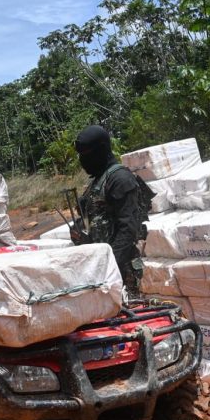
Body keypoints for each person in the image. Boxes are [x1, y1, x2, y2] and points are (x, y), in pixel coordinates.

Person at [71, 125, 154, 296]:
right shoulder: (98, 181)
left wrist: (110, 266)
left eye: (86, 155)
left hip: (121, 271)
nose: (83, 160)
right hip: (103, 269)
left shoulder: (120, 179)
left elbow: (128, 229)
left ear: (101, 151)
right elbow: (97, 218)